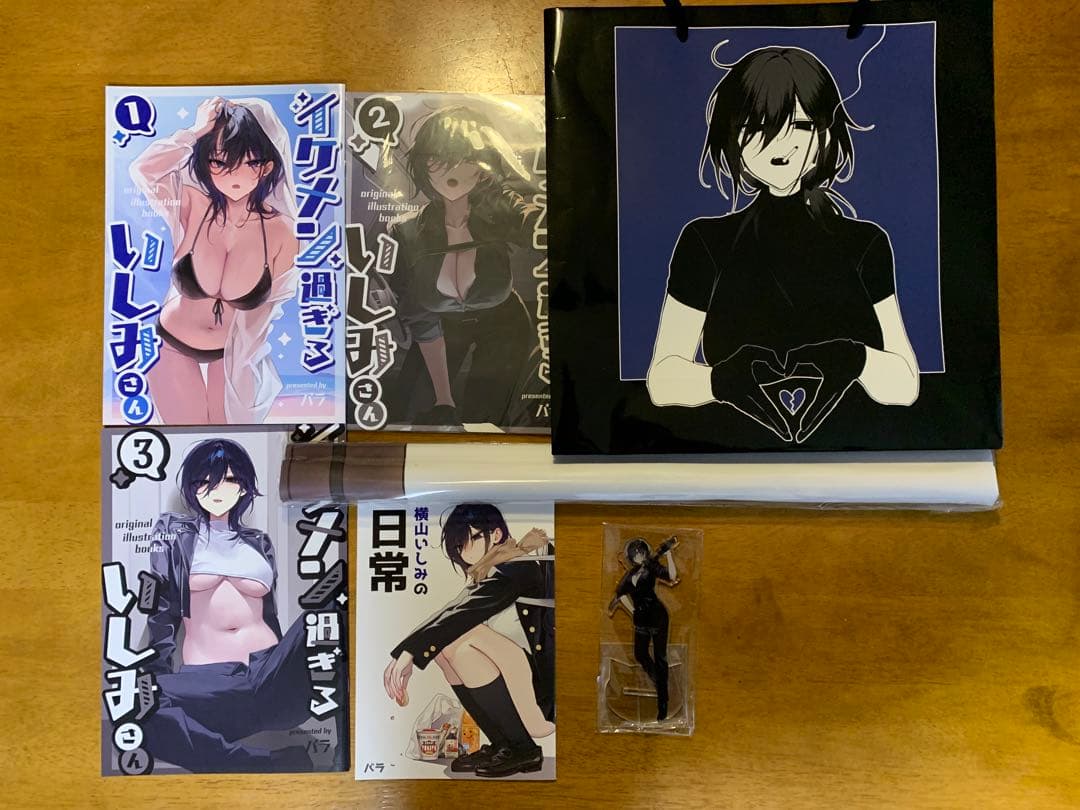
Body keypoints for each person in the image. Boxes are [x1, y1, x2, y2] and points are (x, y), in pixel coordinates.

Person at [646, 46, 920, 444]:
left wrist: (853, 359)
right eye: (759, 125)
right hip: (729, 453)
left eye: (802, 125)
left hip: (854, 454)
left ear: (826, 134)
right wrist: (724, 381)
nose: (781, 143)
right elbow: (662, 378)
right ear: (733, 135)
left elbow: (906, 383)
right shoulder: (705, 242)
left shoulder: (865, 244)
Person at [141, 438, 314, 772]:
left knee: (322, 616)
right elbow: (162, 612)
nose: (217, 489)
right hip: (212, 681)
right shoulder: (175, 534)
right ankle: (257, 763)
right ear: (192, 487)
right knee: (138, 700)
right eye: (205, 480)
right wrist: (155, 675)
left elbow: (269, 614)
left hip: (268, 671)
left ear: (244, 486)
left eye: (230, 479)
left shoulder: (259, 542)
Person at [130, 97, 299, 424]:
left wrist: (246, 364)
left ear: (266, 166)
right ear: (205, 163)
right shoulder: (192, 204)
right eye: (220, 162)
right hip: (172, 343)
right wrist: (196, 131)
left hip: (232, 357)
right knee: (187, 439)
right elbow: (143, 170)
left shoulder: (282, 233)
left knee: (229, 438)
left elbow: (268, 311)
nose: (233, 174)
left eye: (247, 162)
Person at [385, 106, 541, 428]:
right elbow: (419, 312)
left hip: (504, 323)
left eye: (466, 157)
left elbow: (530, 221)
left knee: (485, 420)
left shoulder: (499, 209)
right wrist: (443, 396)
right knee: (410, 413)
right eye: (439, 157)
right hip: (440, 328)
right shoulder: (407, 232)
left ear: (484, 166)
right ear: (423, 163)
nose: (452, 168)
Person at [383, 503, 554, 778]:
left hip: (540, 691)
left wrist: (410, 654)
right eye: (458, 546)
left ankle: (524, 748)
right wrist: (405, 652)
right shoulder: (491, 569)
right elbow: (452, 609)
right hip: (518, 675)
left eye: (469, 540)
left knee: (462, 636)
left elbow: (464, 613)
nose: (464, 552)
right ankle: (503, 744)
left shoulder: (516, 568)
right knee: (447, 649)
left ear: (496, 534)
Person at [610, 536, 679, 721]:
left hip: (658, 617)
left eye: (641, 552)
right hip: (641, 619)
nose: (639, 556)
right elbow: (620, 594)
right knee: (640, 654)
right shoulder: (630, 575)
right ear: (632, 556)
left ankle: (663, 705)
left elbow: (672, 576)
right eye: (635, 553)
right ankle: (660, 682)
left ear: (645, 553)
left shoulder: (652, 567)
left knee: (660, 658)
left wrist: (669, 554)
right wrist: (632, 610)